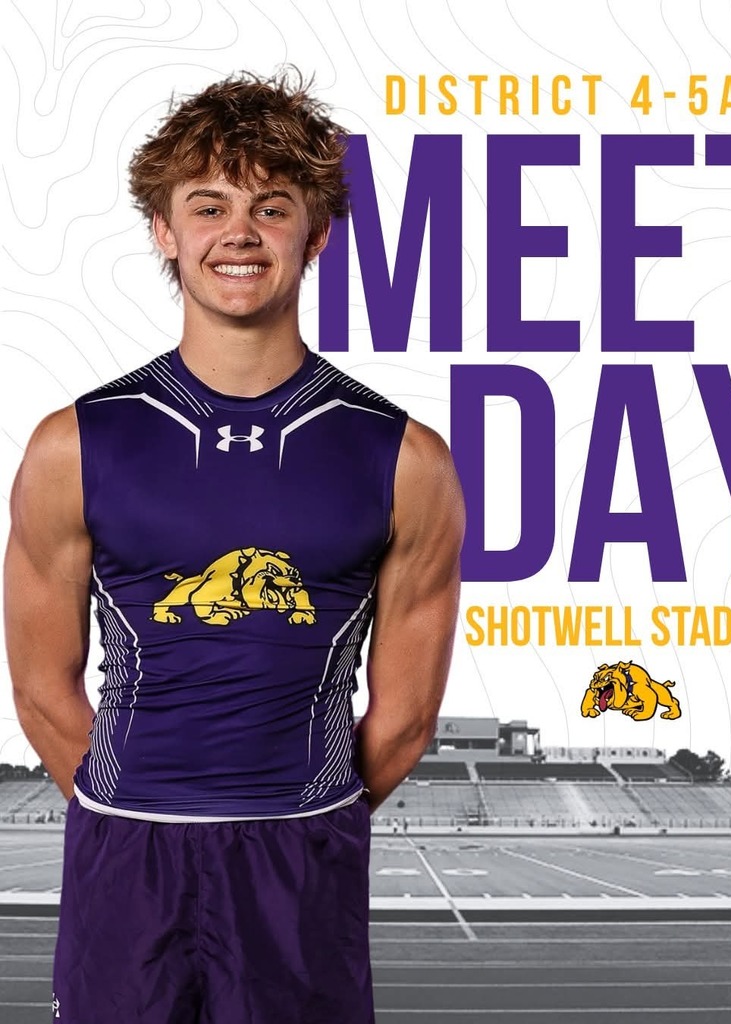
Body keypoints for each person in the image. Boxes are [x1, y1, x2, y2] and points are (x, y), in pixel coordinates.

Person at [4, 70, 464, 1024]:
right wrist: (144, 812)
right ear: (167, 233)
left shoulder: (405, 459)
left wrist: (299, 819)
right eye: (207, 205)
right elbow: (45, 690)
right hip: (127, 859)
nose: (239, 232)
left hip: (299, 861)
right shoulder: (72, 446)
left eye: (272, 206)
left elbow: (407, 718)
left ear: (316, 231)